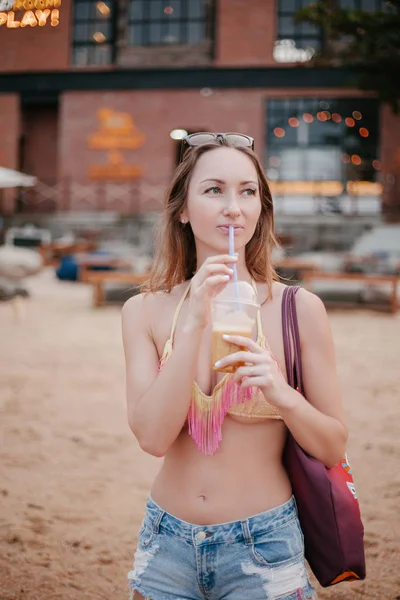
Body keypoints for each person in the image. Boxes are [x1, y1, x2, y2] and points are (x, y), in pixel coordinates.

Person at [121, 133, 348, 600]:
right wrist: (191, 326)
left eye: (248, 191)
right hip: (165, 545)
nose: (234, 207)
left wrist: (282, 394)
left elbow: (331, 446)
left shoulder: (299, 309)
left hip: (264, 544)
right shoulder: (144, 312)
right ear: (182, 209)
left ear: (261, 208)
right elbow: (152, 438)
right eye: (213, 190)